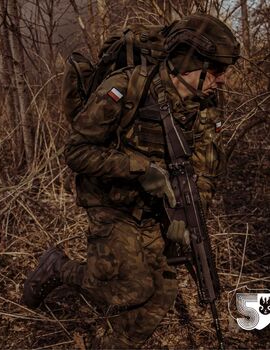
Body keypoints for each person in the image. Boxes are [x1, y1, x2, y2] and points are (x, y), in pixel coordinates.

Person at [23, 13, 240, 349]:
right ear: (186, 64)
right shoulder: (127, 88)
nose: (223, 80)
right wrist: (139, 168)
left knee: (163, 292)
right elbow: (76, 152)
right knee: (131, 287)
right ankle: (58, 267)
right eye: (215, 71)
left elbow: (206, 171)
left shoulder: (205, 107)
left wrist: (189, 217)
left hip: (155, 209)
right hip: (111, 201)